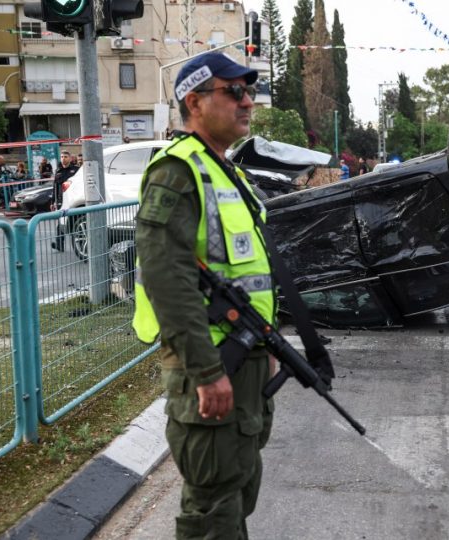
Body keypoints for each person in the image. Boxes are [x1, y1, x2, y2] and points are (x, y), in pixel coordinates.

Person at [133, 52, 274, 539]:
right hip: (211, 362)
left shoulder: (227, 171)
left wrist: (266, 348)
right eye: (233, 92)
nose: (247, 102)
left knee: (238, 491)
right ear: (194, 102)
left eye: (248, 92)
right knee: (212, 510)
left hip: (246, 357)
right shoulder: (176, 172)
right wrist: (207, 370)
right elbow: (166, 278)